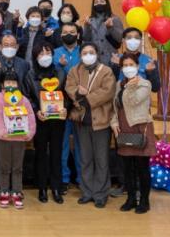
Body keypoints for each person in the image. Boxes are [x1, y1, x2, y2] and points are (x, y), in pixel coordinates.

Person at [66, 42, 117, 208]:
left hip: (101, 121)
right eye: (85, 53)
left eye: (91, 52)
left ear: (97, 54)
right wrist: (77, 93)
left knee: (101, 159)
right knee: (85, 158)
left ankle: (101, 194)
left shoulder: (106, 71)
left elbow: (107, 92)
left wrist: (86, 97)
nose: (88, 55)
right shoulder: (74, 70)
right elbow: (70, 87)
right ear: (80, 56)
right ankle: (87, 192)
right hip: (82, 121)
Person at [111, 53, 156, 214]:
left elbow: (133, 101)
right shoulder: (119, 84)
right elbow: (115, 106)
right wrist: (114, 123)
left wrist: (130, 86)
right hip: (124, 128)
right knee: (127, 168)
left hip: (140, 127)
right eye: (125, 65)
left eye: (131, 65)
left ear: (137, 66)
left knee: (142, 167)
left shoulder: (145, 84)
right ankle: (130, 199)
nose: (128, 68)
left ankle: (144, 200)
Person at [24, 43, 67, 204]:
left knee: (56, 153)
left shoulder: (60, 72)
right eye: (41, 53)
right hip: (40, 120)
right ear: (35, 57)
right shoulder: (30, 75)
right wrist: (36, 111)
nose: (45, 56)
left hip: (58, 120)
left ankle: (56, 187)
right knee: (40, 153)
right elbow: (27, 96)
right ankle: (41, 187)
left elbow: (67, 94)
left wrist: (66, 108)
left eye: (47, 52)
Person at [0, 31, 30, 198]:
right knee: (0, 154)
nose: (9, 47)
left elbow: (24, 86)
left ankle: (16, 188)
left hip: (18, 113)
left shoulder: (24, 64)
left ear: (17, 46)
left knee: (17, 155)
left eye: (12, 45)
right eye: (5, 45)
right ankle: (0, 188)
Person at [0, 71, 36, 209]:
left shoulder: (23, 99)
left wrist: (30, 132)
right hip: (3, 138)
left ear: (18, 84)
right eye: (8, 82)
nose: (10, 85)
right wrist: (2, 132)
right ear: (2, 84)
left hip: (20, 139)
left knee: (17, 168)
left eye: (13, 82)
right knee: (4, 167)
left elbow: (30, 116)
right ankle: (4, 192)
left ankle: (16, 192)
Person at [54, 22, 83, 191]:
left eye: (72, 31)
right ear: (61, 35)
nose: (69, 34)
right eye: (65, 32)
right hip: (61, 104)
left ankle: (81, 178)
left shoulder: (85, 52)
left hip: (81, 104)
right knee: (62, 144)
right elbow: (51, 80)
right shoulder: (55, 53)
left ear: (78, 34)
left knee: (81, 144)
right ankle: (63, 178)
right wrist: (60, 66)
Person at [109, 28, 160, 92]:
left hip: (142, 97)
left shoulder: (149, 61)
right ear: (123, 40)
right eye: (129, 38)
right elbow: (110, 87)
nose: (133, 40)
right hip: (121, 97)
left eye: (136, 38)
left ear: (140, 41)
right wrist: (116, 67)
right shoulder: (116, 59)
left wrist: (151, 72)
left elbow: (155, 88)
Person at [82, 0, 124, 65]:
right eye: (96, 2)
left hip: (111, 59)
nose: (99, 4)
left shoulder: (114, 18)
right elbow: (86, 39)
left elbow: (120, 38)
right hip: (94, 60)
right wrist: (86, 26)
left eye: (102, 1)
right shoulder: (90, 20)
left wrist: (111, 28)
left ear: (107, 3)